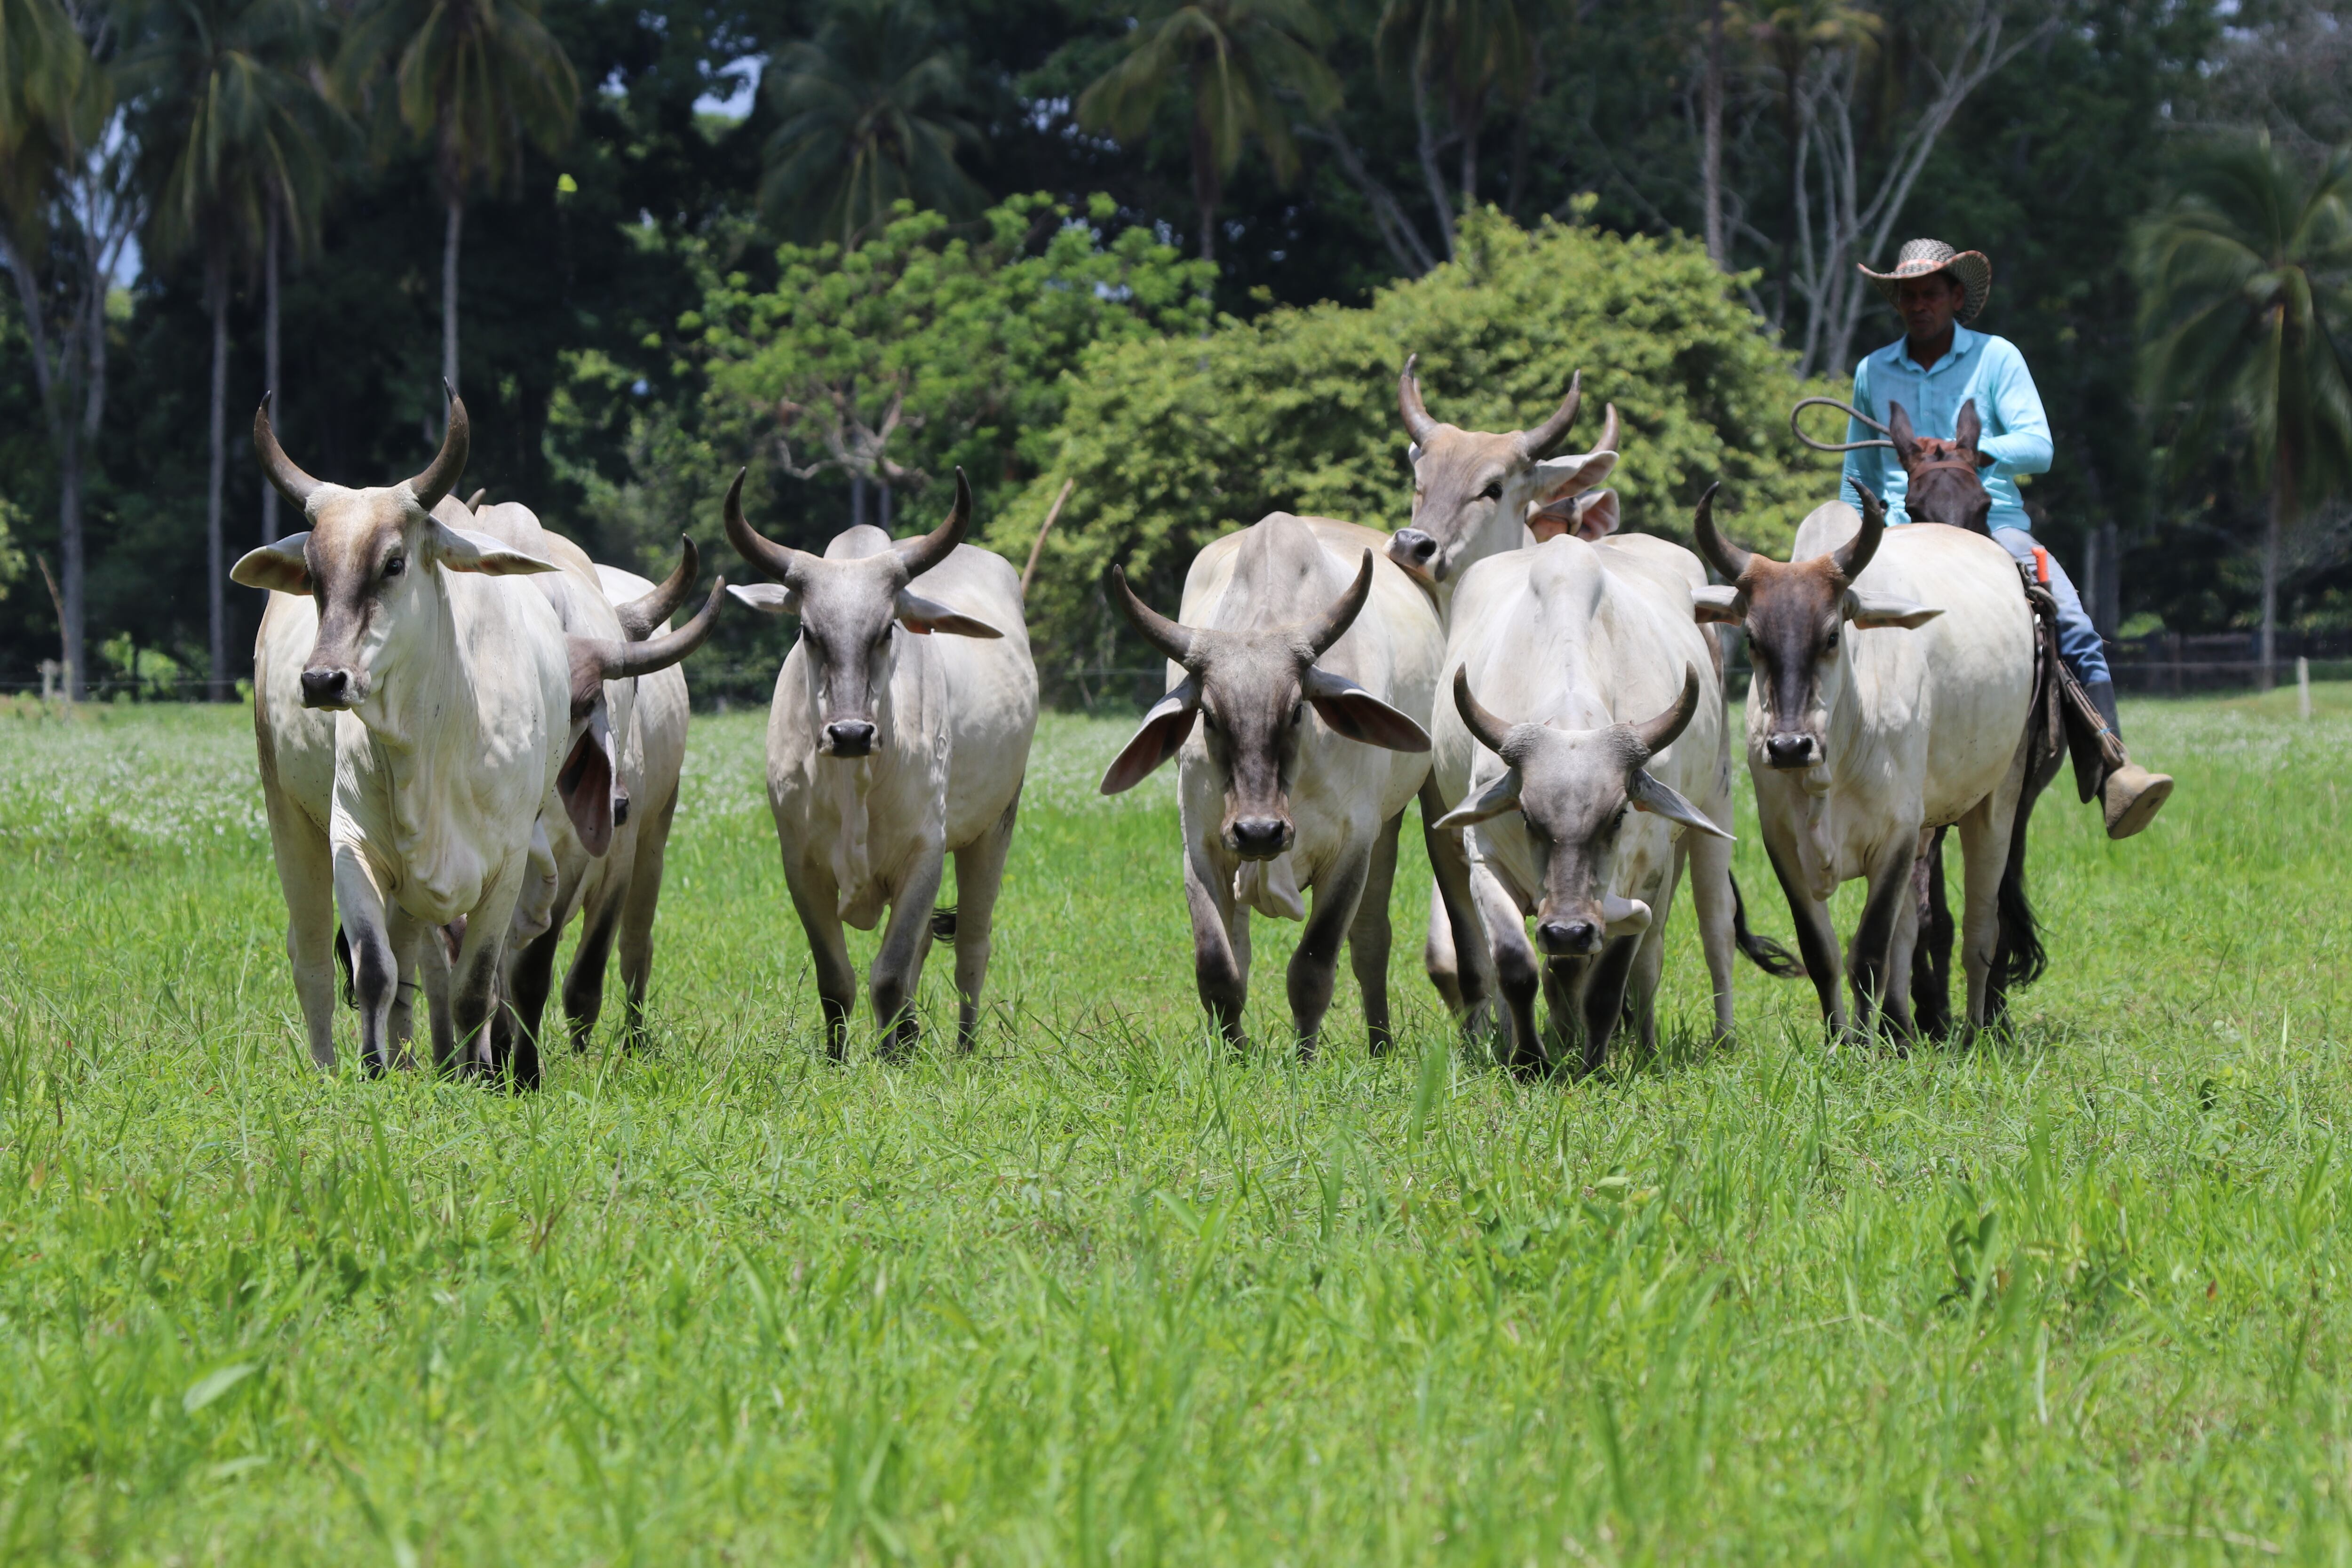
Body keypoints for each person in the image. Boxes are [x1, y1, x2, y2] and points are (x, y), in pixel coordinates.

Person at [1841, 238, 2172, 840]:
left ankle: (2111, 769)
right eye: (1907, 296)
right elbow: (1854, 480)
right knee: (1809, 619)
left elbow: (2038, 447)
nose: (1918, 305)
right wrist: (1839, 550)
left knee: (2070, 622)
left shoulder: (1997, 358)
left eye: (1930, 294)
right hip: (1894, 529)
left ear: (1955, 298)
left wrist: (1971, 456)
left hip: (1991, 522)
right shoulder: (1872, 371)